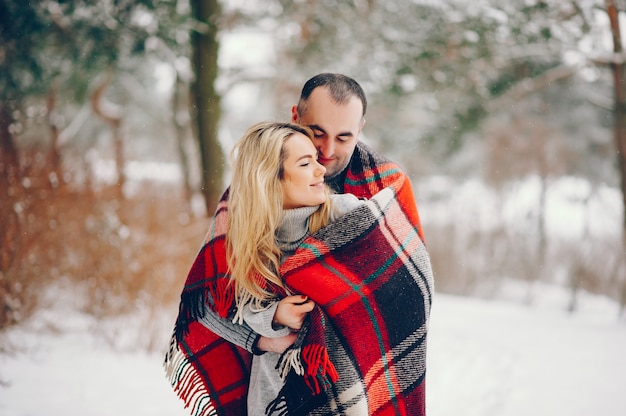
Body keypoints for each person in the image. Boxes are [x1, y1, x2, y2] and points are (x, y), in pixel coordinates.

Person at [165, 74, 434, 415]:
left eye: (344, 137)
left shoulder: (383, 190)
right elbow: (209, 299)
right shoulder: (251, 198)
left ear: (361, 128)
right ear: (295, 116)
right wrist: (262, 336)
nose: (327, 152)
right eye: (317, 133)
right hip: (274, 387)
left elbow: (411, 296)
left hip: (357, 384)